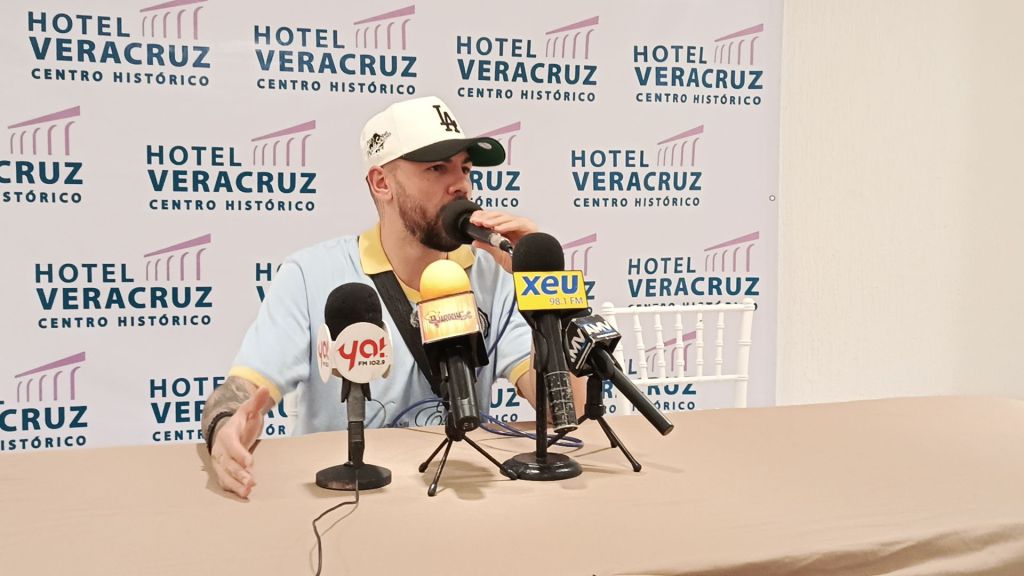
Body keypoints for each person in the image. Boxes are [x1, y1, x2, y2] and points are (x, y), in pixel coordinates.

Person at [201, 96, 585, 498]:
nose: (461, 184)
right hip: (347, 500)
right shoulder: (310, 274)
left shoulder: (493, 276)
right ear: (381, 183)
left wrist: (541, 283)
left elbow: (566, 409)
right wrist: (225, 426)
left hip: (459, 493)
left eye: (465, 168)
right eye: (437, 168)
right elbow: (241, 391)